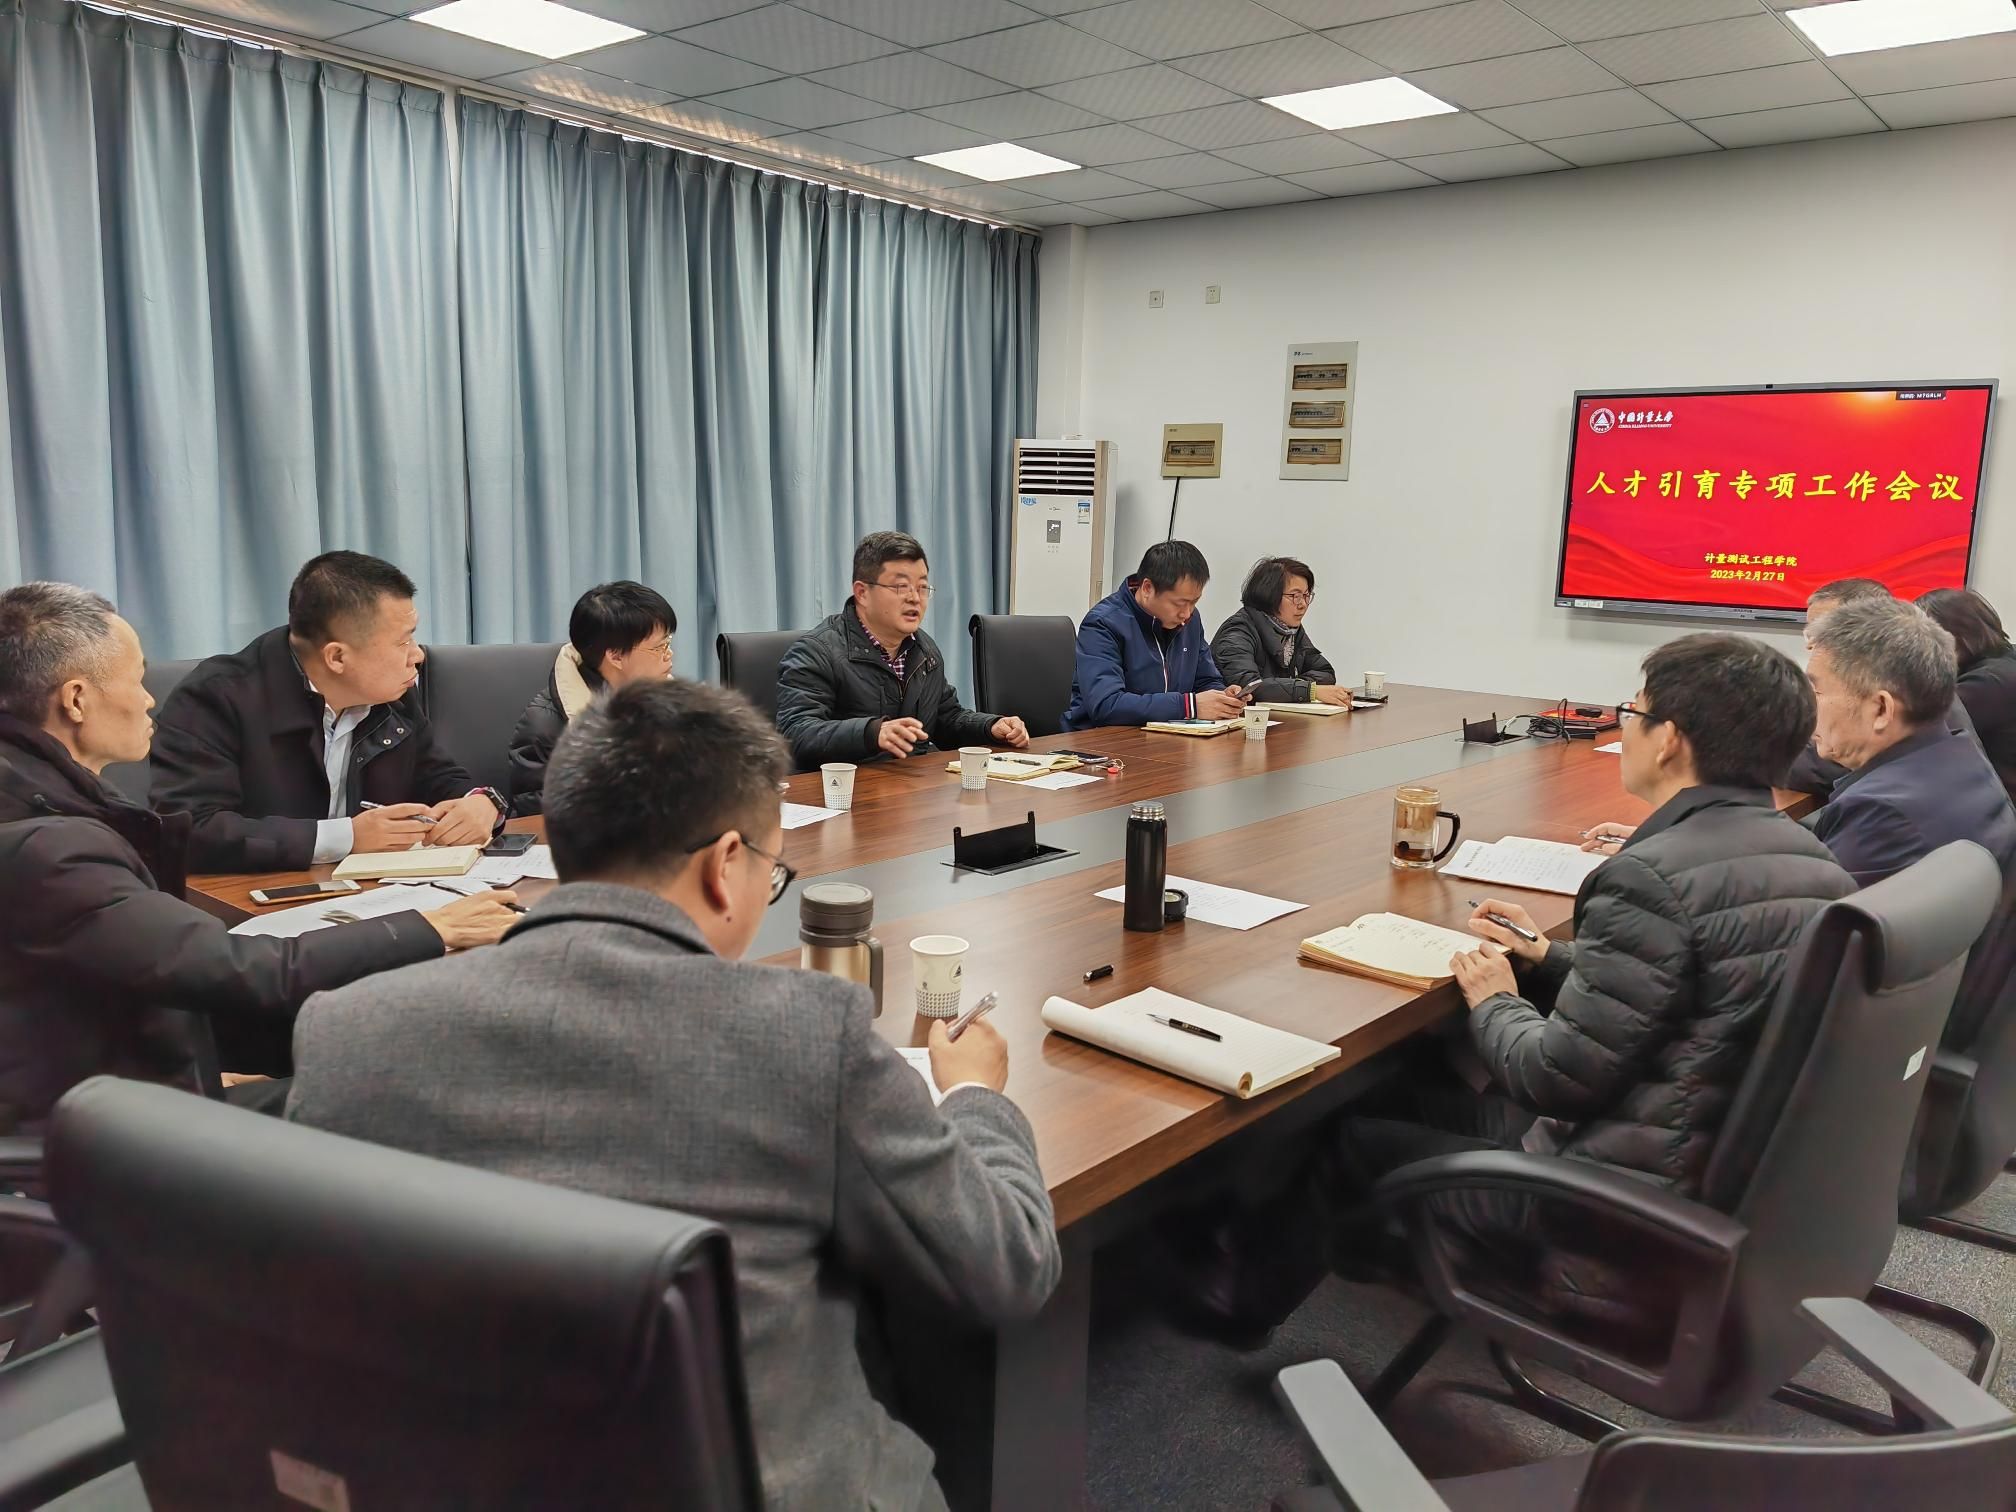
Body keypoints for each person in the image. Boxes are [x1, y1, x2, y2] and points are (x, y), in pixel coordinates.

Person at [287, 679, 1060, 1508]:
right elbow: (1007, 1268)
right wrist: (975, 1096)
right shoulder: (806, 1034)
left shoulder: (345, 1032)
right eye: (771, 873)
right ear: (726, 866)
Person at [1169, 634, 1856, 1345]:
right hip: (1690, 1166)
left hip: (1603, 1209)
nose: (1626, 725)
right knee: (1397, 1086)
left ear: (1671, 741)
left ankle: (1239, 1306)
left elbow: (1552, 1075)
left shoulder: (1652, 877)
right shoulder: (1815, 861)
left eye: (1634, 711)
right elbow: (1682, 989)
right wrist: (1548, 958)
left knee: (1347, 1137)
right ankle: (1225, 1229)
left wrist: (1497, 997)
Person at [0, 583, 517, 1132]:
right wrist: (431, 928)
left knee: (377, 1050)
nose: (150, 699)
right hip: (102, 1129)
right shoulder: (51, 846)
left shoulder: (42, 796)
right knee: (416, 1100)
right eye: (137, 679)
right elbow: (235, 969)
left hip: (120, 1072)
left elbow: (146, 971)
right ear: (77, 700)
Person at [151, 551, 507, 873]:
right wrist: (347, 837)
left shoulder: (391, 695)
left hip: (371, 893)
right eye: (402, 641)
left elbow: (437, 775)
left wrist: (481, 802)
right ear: (336, 657)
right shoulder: (216, 698)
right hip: (256, 901)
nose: (417, 655)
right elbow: (191, 829)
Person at [1803, 596, 2016, 886]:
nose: (1808, 706)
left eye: (1817, 692)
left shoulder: (1880, 814)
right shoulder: (1961, 755)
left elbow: (1819, 909)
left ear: (1881, 709)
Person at [775, 531, 1027, 771]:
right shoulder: (816, 652)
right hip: (845, 790)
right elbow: (795, 734)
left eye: (922, 587)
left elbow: (946, 718)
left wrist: (990, 726)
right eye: (901, 587)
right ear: (862, 593)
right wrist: (871, 733)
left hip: (911, 788)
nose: (915, 598)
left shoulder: (924, 650)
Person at [1780, 577, 1977, 797]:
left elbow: (1829, 766)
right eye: (1810, 632)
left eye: (1826, 631)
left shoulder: (1903, 686)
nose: (1811, 645)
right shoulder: (1914, 672)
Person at [508, 581, 677, 815]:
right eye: (659, 648)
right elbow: (542, 815)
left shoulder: (665, 700)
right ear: (616, 656)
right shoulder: (546, 724)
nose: (669, 655)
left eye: (668, 643)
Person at [1061, 540, 1246, 731]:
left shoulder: (1190, 620)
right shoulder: (1103, 623)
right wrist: (1188, 706)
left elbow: (1206, 680)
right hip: (1100, 739)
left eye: (1194, 603)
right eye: (1179, 603)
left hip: (1166, 736)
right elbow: (1106, 705)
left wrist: (1222, 698)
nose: (1186, 613)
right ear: (1147, 588)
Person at [1208, 556, 1350, 706]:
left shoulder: (1290, 630)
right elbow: (1249, 686)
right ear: (1269, 595)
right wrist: (1309, 691)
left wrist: (1295, 687)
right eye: (1295, 596)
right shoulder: (1237, 631)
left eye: (1306, 595)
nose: (1302, 604)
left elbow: (1325, 672)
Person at [1919, 587, 2016, 803]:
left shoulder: (1988, 683)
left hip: (1998, 806)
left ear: (1952, 635)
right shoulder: (2005, 662)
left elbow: (1916, 727)